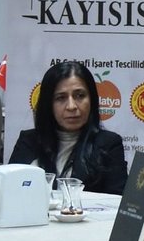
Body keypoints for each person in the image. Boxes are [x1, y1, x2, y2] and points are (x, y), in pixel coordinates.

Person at [8, 61, 128, 194]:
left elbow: (117, 200)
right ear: (48, 104)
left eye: (80, 96)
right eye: (61, 98)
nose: (71, 106)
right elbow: (9, 191)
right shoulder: (29, 141)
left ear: (92, 100)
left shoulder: (109, 144)